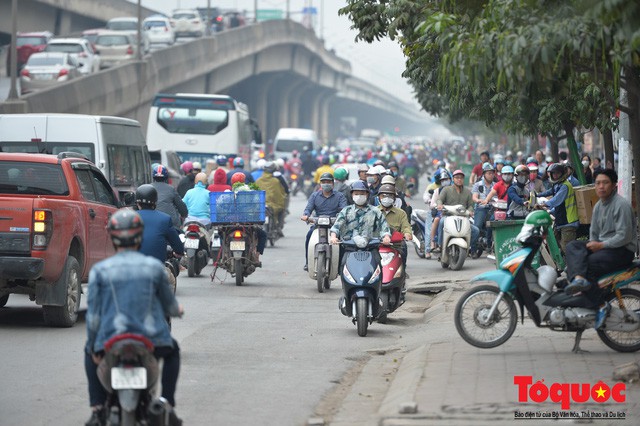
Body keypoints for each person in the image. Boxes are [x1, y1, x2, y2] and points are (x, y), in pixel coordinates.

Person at [84, 209, 183, 426]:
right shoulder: (155, 267)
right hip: (151, 340)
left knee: (88, 351)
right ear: (140, 236)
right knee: (173, 352)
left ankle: (97, 407)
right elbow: (169, 304)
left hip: (111, 338)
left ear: (113, 236)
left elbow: (93, 317)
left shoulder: (100, 270)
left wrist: (94, 346)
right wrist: (178, 310)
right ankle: (166, 402)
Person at [563, 169, 636, 329]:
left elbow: (624, 236)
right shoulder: (598, 206)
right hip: (603, 248)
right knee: (572, 246)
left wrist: (600, 246)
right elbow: (594, 233)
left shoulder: (621, 205)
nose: (601, 186)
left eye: (605, 183)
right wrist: (594, 244)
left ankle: (600, 304)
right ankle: (579, 280)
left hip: (622, 251)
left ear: (614, 185)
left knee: (588, 262)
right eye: (598, 183)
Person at [300, 172, 347, 271]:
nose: (326, 184)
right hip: (318, 224)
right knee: (309, 236)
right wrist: (306, 215)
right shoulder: (314, 196)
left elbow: (344, 210)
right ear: (320, 184)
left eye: (328, 182)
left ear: (333, 184)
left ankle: (341, 265)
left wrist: (341, 216)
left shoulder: (340, 196)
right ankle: (308, 262)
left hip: (334, 225)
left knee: (342, 242)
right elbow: (308, 208)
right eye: (324, 182)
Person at [330, 180, 391, 247]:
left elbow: (384, 227)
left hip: (371, 248)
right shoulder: (346, 210)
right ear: (352, 195)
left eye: (362, 194)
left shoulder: (375, 211)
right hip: (349, 248)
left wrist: (386, 237)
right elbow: (336, 226)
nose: (359, 196)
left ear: (367, 194)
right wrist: (333, 237)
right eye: (356, 194)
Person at [136, 184, 184, 265]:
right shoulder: (165, 219)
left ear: (137, 203)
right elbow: (178, 246)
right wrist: (179, 252)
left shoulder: (130, 218)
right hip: (157, 268)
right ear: (155, 202)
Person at [537, 163, 579, 253]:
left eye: (557, 173)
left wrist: (544, 205)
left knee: (566, 247)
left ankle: (571, 265)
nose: (555, 175)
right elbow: (549, 192)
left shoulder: (565, 186)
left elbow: (556, 199)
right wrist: (537, 195)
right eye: (553, 173)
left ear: (562, 173)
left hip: (568, 222)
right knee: (553, 243)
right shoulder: (557, 185)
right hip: (560, 220)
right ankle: (560, 264)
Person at [436, 169, 479, 255]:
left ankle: (468, 247)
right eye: (457, 177)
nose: (459, 179)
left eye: (461, 178)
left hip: (463, 218)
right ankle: (440, 245)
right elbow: (440, 199)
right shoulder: (446, 190)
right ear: (453, 179)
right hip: (448, 217)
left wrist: (470, 211)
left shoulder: (467, 192)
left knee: (476, 231)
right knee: (441, 222)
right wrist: (440, 205)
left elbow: (471, 205)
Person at [377, 183, 412, 267]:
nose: (387, 198)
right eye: (383, 196)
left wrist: (407, 233)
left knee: (403, 248)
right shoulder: (374, 211)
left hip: (395, 245)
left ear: (394, 198)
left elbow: (406, 226)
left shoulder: (401, 213)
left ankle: (402, 269)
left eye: (390, 196)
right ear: (379, 197)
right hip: (376, 244)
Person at [151, 164, 188, 230]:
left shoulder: (148, 188)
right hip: (170, 224)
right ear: (166, 177)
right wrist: (184, 214)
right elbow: (181, 206)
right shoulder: (171, 189)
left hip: (152, 222)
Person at [256, 161, 287, 236]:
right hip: (272, 205)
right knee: (282, 208)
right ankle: (278, 227)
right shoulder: (276, 181)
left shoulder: (258, 181)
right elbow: (280, 194)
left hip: (260, 205)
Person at [471, 162, 495, 256]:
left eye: (492, 173)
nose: (491, 175)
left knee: (495, 226)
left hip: (493, 209)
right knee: (476, 228)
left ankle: (490, 246)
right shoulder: (478, 185)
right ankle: (473, 250)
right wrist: (478, 200)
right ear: (484, 174)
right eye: (488, 173)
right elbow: (474, 197)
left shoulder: (496, 185)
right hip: (481, 209)